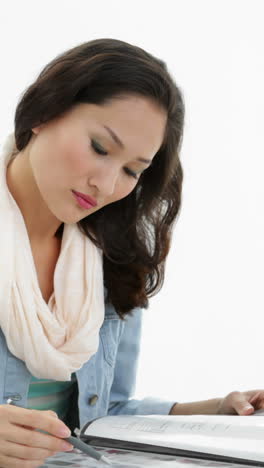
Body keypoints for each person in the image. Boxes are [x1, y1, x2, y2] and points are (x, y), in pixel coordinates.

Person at [0, 37, 263, 468]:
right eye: (100, 148)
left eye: (131, 171)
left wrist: (214, 410)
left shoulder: (107, 259)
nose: (105, 185)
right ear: (43, 112)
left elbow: (101, 420)